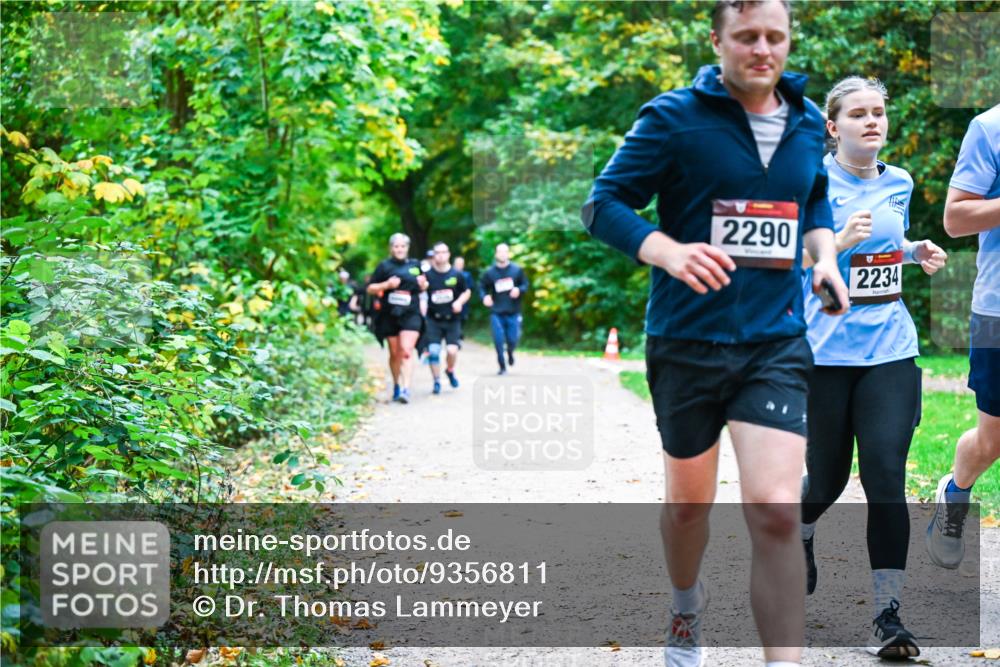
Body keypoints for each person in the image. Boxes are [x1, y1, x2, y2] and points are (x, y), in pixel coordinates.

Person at [581, 2, 849, 665]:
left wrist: (825, 259)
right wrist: (665, 250)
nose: (763, 49)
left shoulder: (810, 120)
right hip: (687, 339)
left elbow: (812, 196)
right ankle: (684, 605)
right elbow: (603, 202)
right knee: (688, 509)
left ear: (789, 41)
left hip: (775, 340)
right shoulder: (673, 118)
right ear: (718, 41)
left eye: (775, 37)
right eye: (748, 37)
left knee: (777, 509)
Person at [796, 77, 947, 659]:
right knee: (830, 478)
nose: (872, 121)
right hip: (825, 354)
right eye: (857, 114)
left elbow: (891, 242)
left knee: (884, 476)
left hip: (890, 347)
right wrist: (836, 241)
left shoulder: (900, 182)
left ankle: (887, 615)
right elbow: (787, 259)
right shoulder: (809, 183)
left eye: (878, 112)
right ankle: (799, 531)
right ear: (833, 127)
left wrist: (915, 251)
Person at [927, 103, 1000, 568]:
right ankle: (956, 493)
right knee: (992, 441)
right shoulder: (989, 128)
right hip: (998, 309)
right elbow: (955, 218)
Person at [367, 234, 427, 404]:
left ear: (407, 248)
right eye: (396, 246)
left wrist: (424, 285)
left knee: (406, 350)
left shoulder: (416, 265)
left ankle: (406, 389)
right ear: (391, 248)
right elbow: (370, 288)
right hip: (390, 314)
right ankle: (396, 385)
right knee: (395, 353)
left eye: (402, 246)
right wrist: (386, 285)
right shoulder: (384, 266)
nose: (399, 249)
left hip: (411, 313)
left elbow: (424, 285)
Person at [423, 242, 471, 394]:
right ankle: (436, 381)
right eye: (437, 252)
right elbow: (421, 293)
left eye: (444, 252)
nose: (441, 255)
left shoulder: (456, 275)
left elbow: (467, 292)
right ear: (433, 256)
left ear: (449, 254)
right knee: (434, 351)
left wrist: (459, 302)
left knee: (452, 351)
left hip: (452, 319)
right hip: (433, 319)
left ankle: (449, 370)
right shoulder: (427, 275)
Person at [479, 243, 529, 375]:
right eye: (500, 252)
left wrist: (519, 289)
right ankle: (502, 366)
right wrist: (484, 297)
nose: (502, 254)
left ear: (508, 254)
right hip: (497, 312)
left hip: (513, 312)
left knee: (513, 339)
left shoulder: (516, 270)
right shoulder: (490, 272)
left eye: (505, 251)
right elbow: (482, 287)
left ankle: (510, 352)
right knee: (498, 340)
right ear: (496, 254)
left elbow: (525, 285)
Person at [453, 255, 474, 334]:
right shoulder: (449, 274)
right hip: (451, 302)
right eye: (457, 264)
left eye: (461, 264)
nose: (459, 265)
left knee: (462, 318)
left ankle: (459, 333)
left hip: (463, 303)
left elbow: (470, 289)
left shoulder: (467, 275)